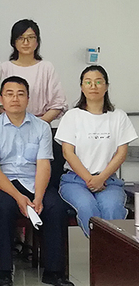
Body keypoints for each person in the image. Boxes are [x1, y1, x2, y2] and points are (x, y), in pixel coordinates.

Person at [0, 76, 75, 286]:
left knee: (55, 207)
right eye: (9, 94)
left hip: (34, 182)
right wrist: (18, 197)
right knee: (4, 208)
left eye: (20, 94)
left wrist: (39, 197)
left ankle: (53, 271)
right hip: (3, 184)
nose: (15, 99)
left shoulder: (41, 127)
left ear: (28, 99)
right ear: (1, 99)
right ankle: (5, 271)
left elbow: (43, 165)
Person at [56, 66, 137, 237]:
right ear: (82, 87)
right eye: (88, 82)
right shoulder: (72, 116)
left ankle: (109, 251)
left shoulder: (118, 116)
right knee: (87, 207)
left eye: (98, 82)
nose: (93, 86)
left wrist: (101, 178)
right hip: (75, 181)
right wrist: (89, 179)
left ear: (106, 86)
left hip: (108, 180)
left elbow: (121, 153)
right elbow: (68, 153)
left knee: (112, 207)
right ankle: (102, 250)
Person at [0, 19, 66, 123]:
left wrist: (38, 125)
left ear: (37, 41)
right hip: (9, 124)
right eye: (21, 38)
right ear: (13, 42)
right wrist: (15, 122)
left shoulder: (46, 68)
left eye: (31, 37)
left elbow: (58, 103)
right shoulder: (4, 68)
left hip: (41, 123)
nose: (26, 42)